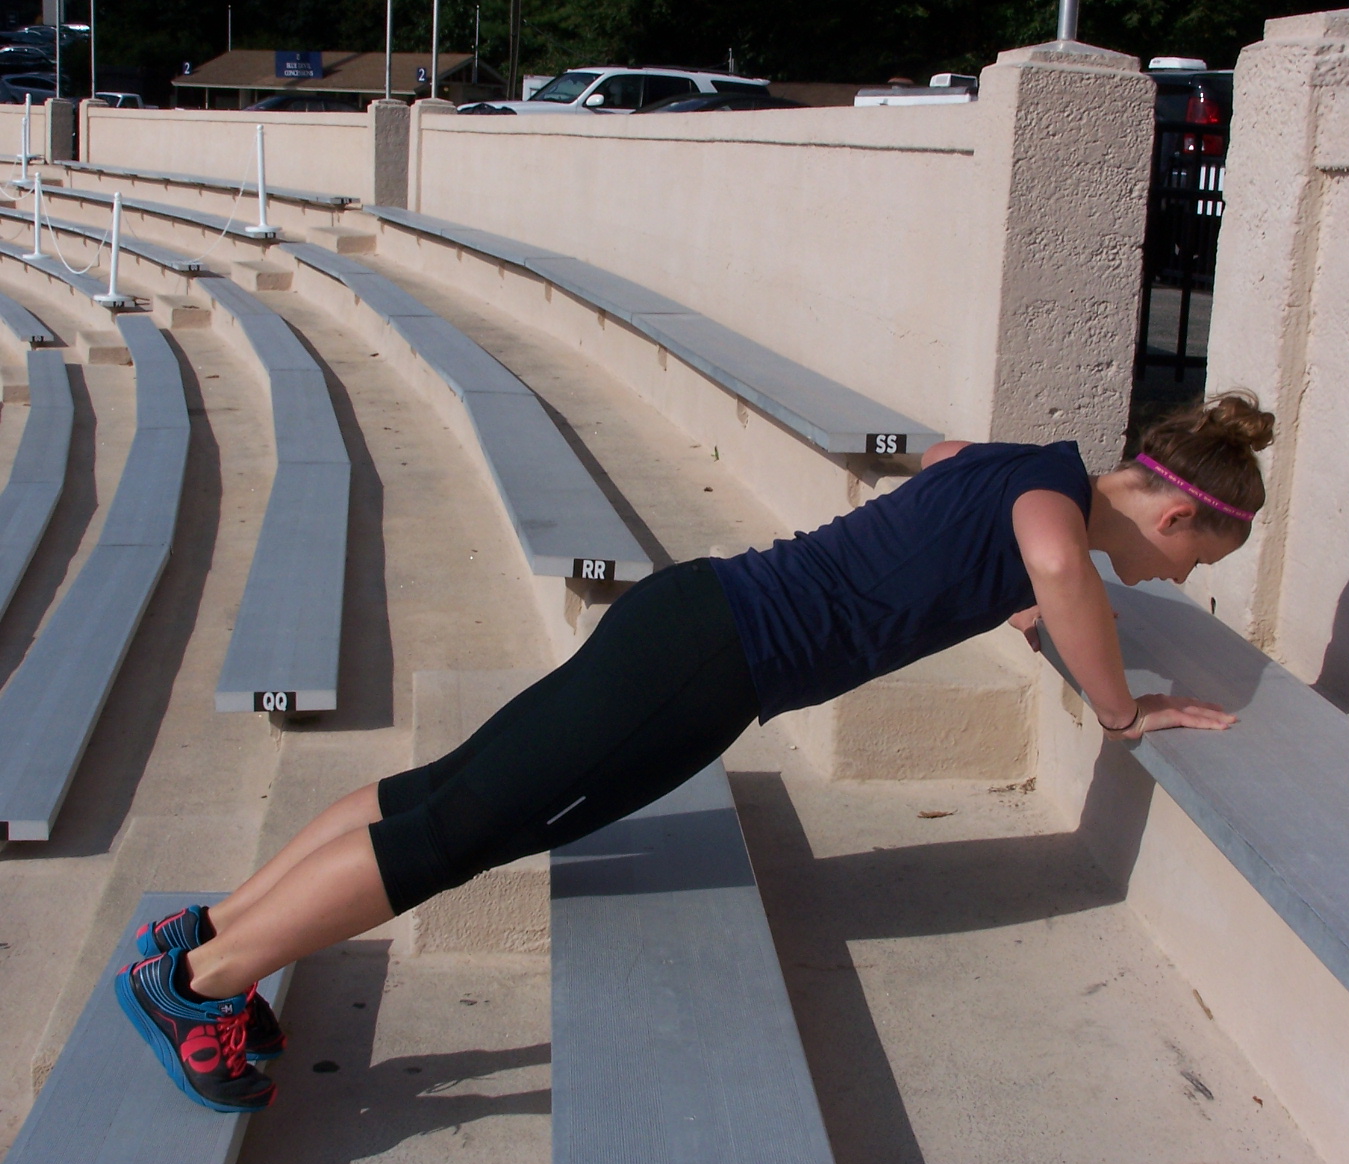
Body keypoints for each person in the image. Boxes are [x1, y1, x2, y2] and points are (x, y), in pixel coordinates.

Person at [116, 392, 1274, 1112]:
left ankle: (209, 932)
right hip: (706, 667)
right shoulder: (1054, 518)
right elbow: (1064, 567)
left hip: (694, 616)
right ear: (1174, 515)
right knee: (463, 831)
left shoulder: (1026, 465)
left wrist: (1005, 594)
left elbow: (943, 463)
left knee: (445, 791)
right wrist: (1122, 710)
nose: (1180, 581)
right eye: (1194, 564)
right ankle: (197, 987)